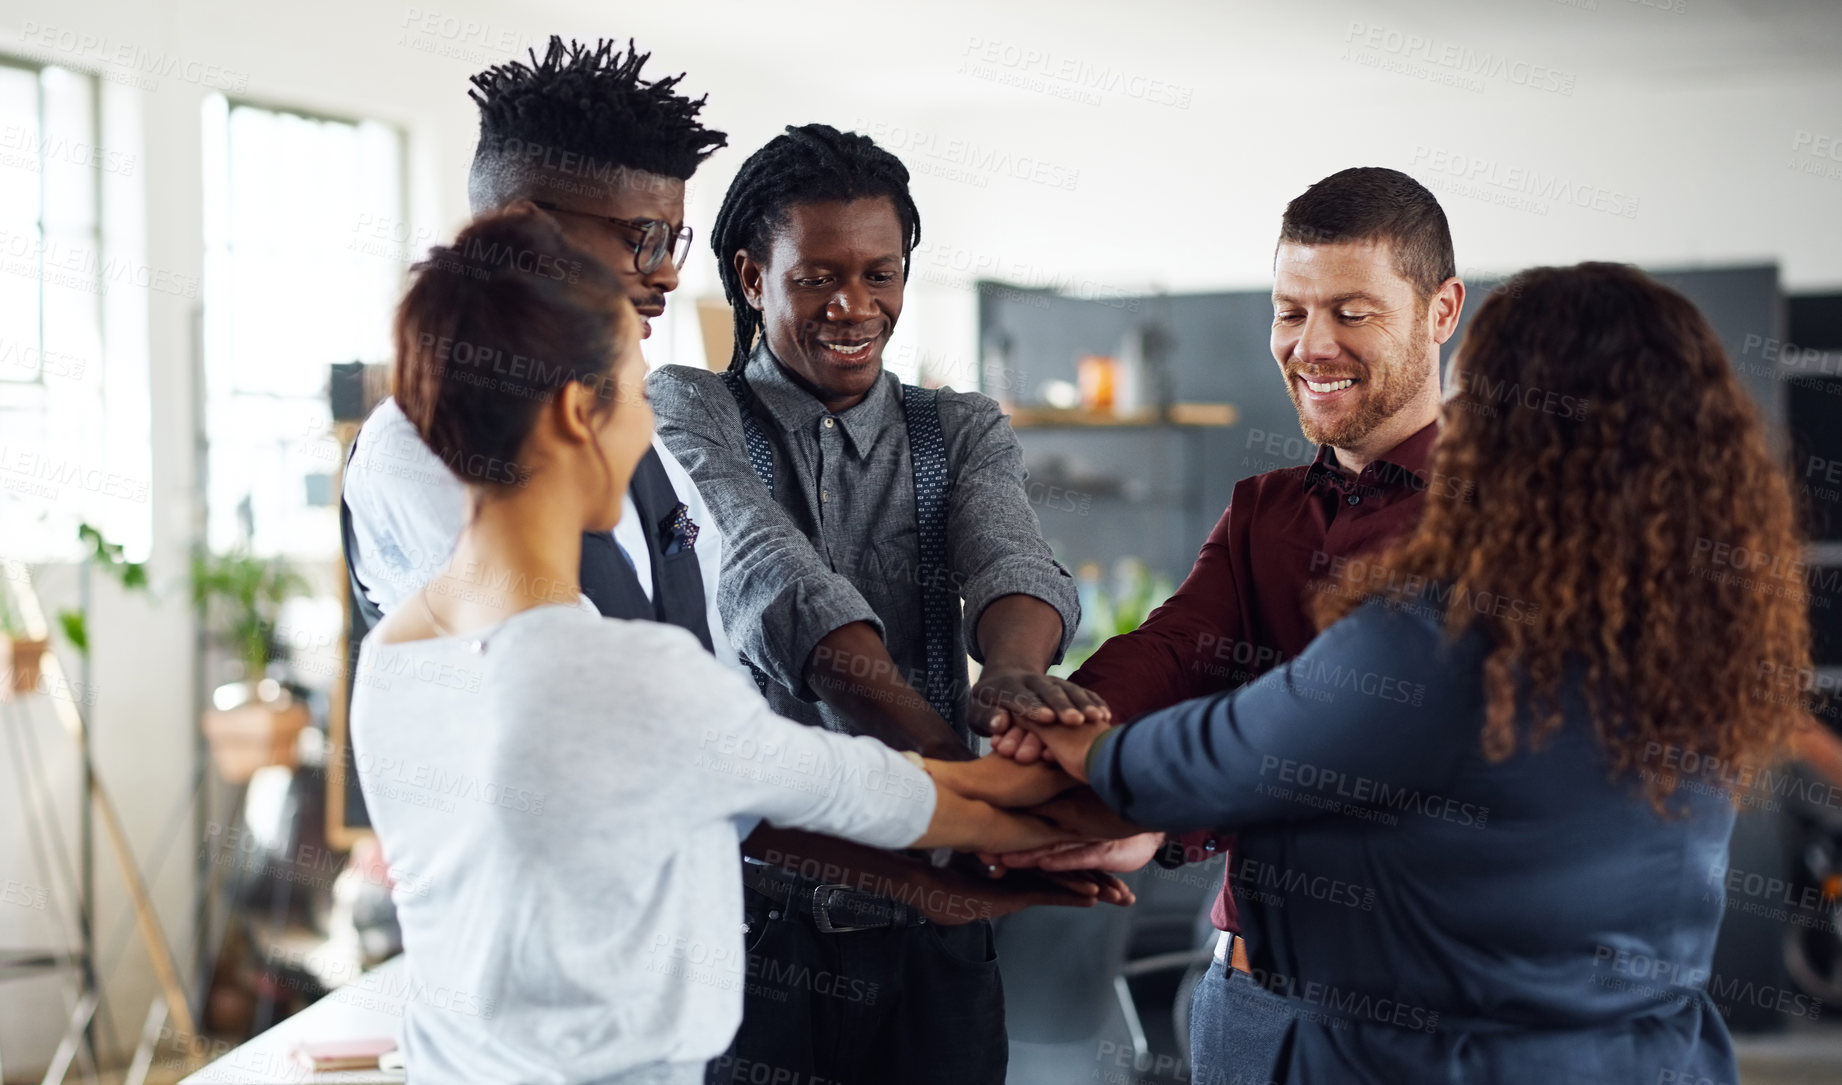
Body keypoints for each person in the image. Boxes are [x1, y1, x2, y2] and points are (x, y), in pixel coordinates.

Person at [1004, 261, 1815, 1084]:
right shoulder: (1697, 637)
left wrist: (1083, 743)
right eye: (1291, 310)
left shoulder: (1450, 630)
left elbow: (1228, 750)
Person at [350, 207, 1096, 1085]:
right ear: (573, 415)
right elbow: (867, 789)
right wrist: (1114, 796)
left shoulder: (396, 655)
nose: (645, 436)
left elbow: (753, 802)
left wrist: (949, 876)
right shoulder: (621, 672)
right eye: (632, 395)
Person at [647, 123, 1125, 1085]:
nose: (853, 305)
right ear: (750, 276)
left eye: (881, 273)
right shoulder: (688, 409)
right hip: (756, 935)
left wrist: (1018, 673)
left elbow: (1010, 559)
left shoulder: (959, 427)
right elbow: (780, 586)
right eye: (818, 276)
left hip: (934, 944)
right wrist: (965, 787)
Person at [990, 166, 1467, 1082]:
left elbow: (1360, 752)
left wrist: (1144, 800)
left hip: (1418, 1019)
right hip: (1247, 1011)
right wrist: (1059, 726)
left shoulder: (1506, 528)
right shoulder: (1264, 511)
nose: (1311, 345)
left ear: (1441, 310)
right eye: (1290, 312)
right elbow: (1171, 648)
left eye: (1352, 312)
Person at [342, 36, 732, 664]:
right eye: (644, 237)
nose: (668, 275)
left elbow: (719, 650)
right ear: (525, 229)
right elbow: (568, 669)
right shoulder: (417, 452)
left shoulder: (633, 431)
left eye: (674, 241)